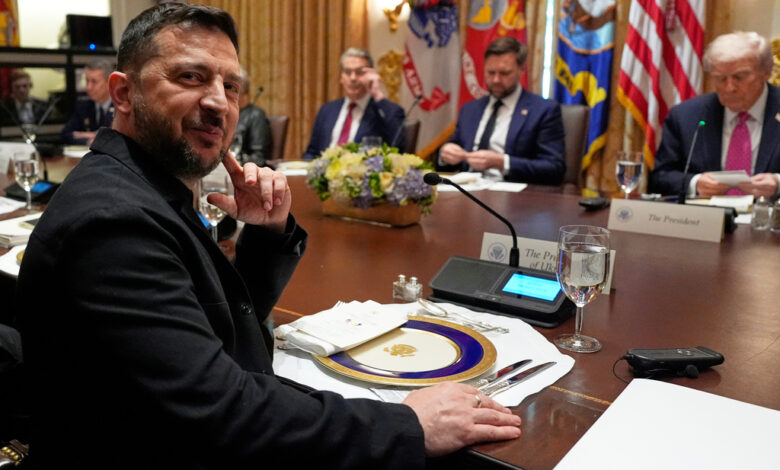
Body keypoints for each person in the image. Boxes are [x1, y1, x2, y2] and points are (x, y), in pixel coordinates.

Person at [17, 4, 521, 469]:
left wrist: (267, 233)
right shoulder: (114, 223)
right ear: (124, 93)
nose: (218, 102)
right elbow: (222, 412)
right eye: (191, 77)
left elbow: (215, 325)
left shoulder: (144, 186)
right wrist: (408, 425)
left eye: (231, 86)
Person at [649, 31, 780, 199]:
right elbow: (659, 178)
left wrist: (778, 183)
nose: (729, 88)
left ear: (766, 72)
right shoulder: (686, 116)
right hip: (705, 213)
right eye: (720, 78)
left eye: (740, 77)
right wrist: (695, 183)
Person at [437, 37, 566, 184]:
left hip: (512, 191)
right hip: (467, 188)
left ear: (521, 70)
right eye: (491, 73)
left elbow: (554, 168)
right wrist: (446, 154)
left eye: (504, 73)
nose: (496, 80)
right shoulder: (470, 110)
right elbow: (452, 158)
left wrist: (503, 162)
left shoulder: (543, 110)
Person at [302, 47, 406, 160]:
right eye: (347, 72)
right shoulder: (327, 110)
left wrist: (377, 94)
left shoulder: (383, 112)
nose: (353, 78)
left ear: (370, 75)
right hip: (322, 169)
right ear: (341, 77)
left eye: (359, 72)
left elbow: (399, 145)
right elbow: (312, 152)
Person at [60, 59, 114, 145]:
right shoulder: (84, 106)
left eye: (94, 82)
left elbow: (117, 138)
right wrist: (90, 140)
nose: (88, 87)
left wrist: (84, 135)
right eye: (87, 81)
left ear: (109, 82)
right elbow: (66, 135)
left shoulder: (121, 107)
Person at [232, 66, 271, 166]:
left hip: (243, 168)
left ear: (243, 93)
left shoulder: (256, 115)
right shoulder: (224, 113)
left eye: (230, 88)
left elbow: (259, 157)